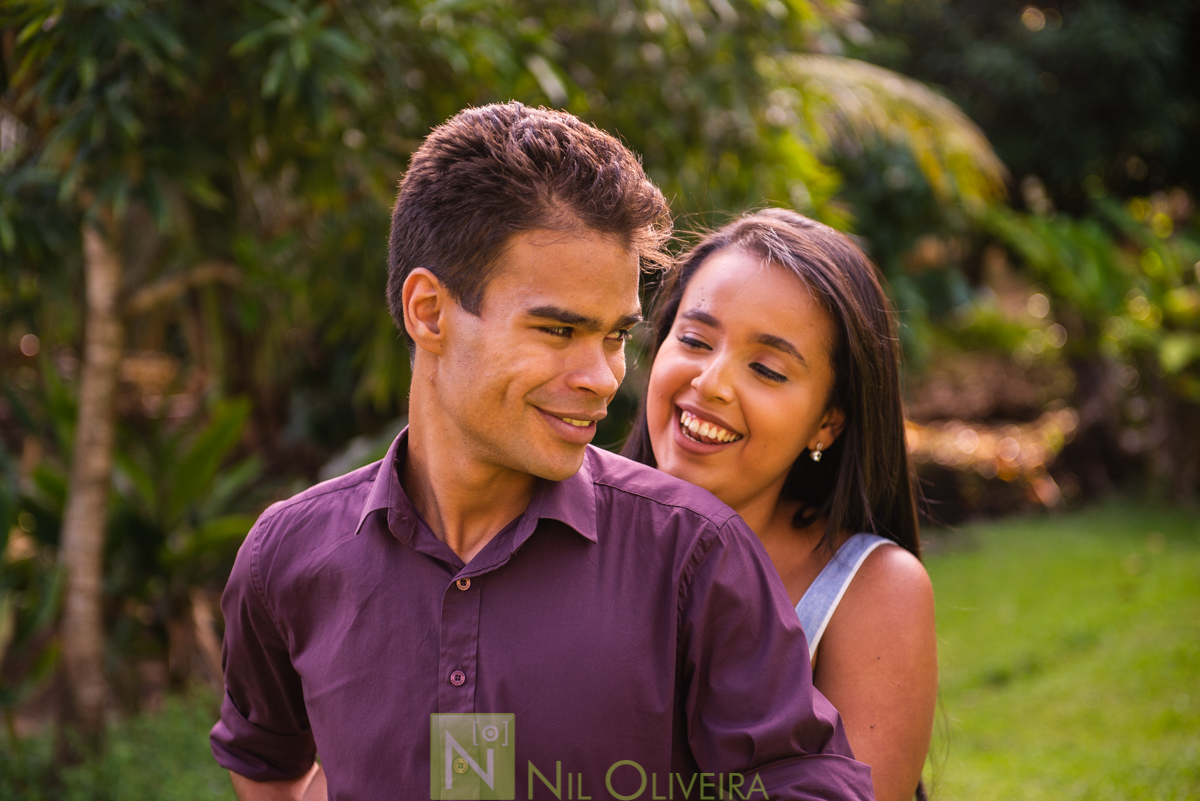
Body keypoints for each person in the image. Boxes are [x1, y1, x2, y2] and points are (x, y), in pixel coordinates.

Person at [210, 105, 874, 801]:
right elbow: (265, 761)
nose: (605, 377)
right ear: (429, 312)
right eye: (559, 329)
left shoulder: (694, 556)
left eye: (616, 336)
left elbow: (806, 780)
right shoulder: (287, 555)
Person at [624, 208, 938, 801]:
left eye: (766, 369)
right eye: (693, 339)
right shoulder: (557, 530)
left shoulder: (870, 591)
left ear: (827, 423)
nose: (712, 382)